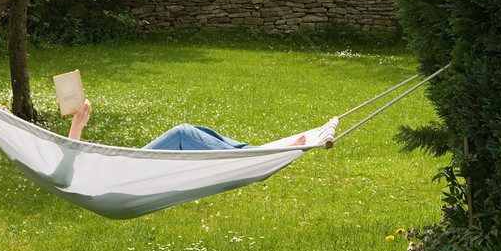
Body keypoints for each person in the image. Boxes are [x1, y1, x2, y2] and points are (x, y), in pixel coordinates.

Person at [66, 98, 333, 148]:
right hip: (123, 172)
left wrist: (79, 125)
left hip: (120, 165)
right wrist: (76, 127)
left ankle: (251, 151)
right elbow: (69, 165)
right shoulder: (68, 177)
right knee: (183, 133)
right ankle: (254, 154)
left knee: (198, 132)